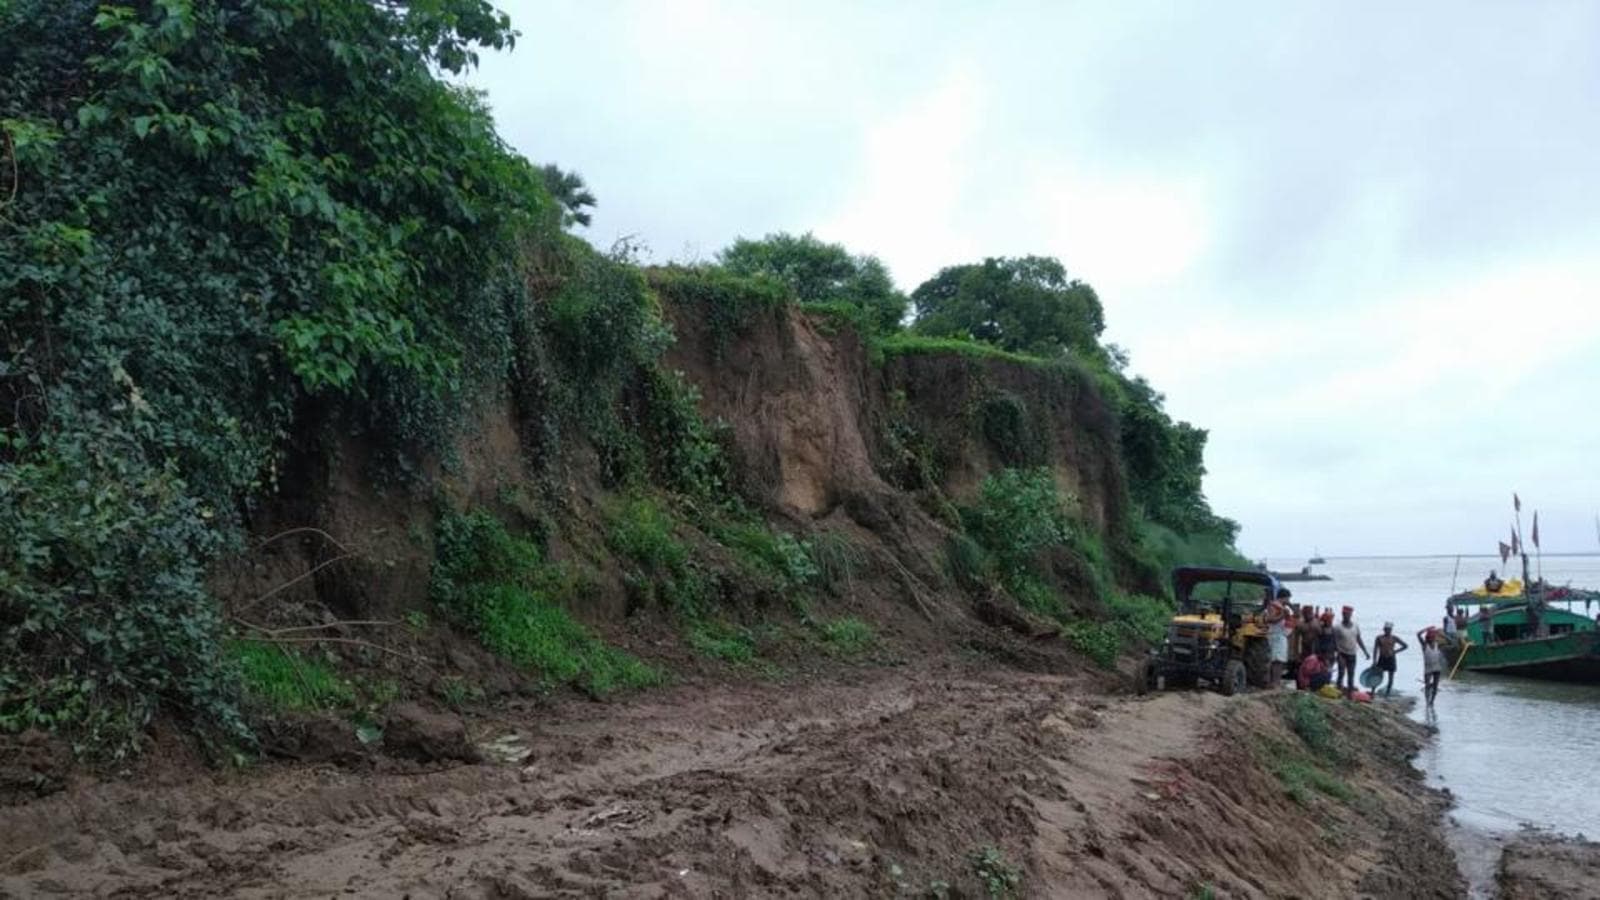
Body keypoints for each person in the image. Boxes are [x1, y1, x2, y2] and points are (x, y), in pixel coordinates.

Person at [1333, 605, 1369, 697]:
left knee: (1351, 674)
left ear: (1351, 615)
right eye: (1345, 614)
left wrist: (1365, 651)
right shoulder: (1337, 627)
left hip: (1352, 653)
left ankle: (1350, 694)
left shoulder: (1355, 626)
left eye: (1348, 614)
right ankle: (1338, 692)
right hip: (1342, 653)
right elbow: (1334, 641)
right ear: (1342, 614)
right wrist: (1337, 653)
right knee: (1341, 673)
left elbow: (1358, 639)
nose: (1346, 616)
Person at [1372, 622, 1408, 697]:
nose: (1387, 630)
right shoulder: (1379, 638)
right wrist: (1374, 661)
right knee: (1377, 676)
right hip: (1382, 658)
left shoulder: (1394, 638)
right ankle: (1373, 692)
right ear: (1384, 629)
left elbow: (1405, 646)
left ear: (1391, 630)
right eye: (1386, 629)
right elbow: (1375, 650)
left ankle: (1387, 693)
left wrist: (1395, 651)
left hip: (1391, 658)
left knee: (1391, 677)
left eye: (1389, 629)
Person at [1265, 588, 1290, 688]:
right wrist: (1283, 615)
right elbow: (1270, 619)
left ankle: (1275, 682)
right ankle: (1274, 682)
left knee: (1278, 660)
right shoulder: (1274, 606)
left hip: (1279, 635)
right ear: (1285, 597)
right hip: (1276, 635)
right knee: (1277, 660)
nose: (1289, 601)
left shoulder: (1280, 606)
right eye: (1288, 599)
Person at [1418, 627, 1445, 707]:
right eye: (1431, 637)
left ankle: (1432, 702)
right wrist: (1427, 629)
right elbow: (1418, 635)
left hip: (1437, 667)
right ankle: (1427, 702)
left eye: (1433, 637)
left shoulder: (1437, 645)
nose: (1432, 639)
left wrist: (1442, 635)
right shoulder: (1425, 645)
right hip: (1428, 668)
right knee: (1427, 686)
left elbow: (1451, 642)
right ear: (1428, 638)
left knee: (1435, 686)